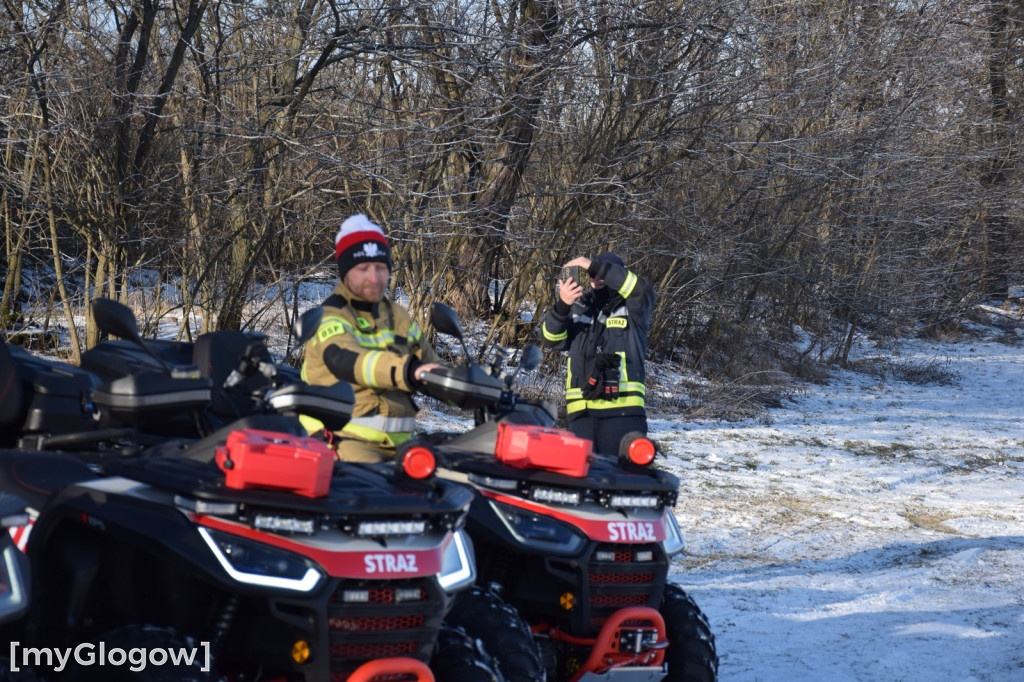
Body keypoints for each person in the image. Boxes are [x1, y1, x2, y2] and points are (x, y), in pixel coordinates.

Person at [301, 214, 443, 462]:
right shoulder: (330, 316)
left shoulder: (396, 315)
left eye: (380, 268)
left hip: (401, 446)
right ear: (345, 272)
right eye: (363, 269)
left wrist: (475, 385)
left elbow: (433, 367)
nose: (374, 278)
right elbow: (346, 360)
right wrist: (410, 371)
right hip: (343, 442)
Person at [539, 252, 656, 456]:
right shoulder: (578, 307)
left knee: (623, 481)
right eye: (593, 273)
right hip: (581, 415)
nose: (596, 277)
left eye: (602, 271)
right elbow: (550, 339)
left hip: (623, 413)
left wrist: (593, 265)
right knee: (583, 482)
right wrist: (562, 305)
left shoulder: (634, 307)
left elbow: (641, 289)